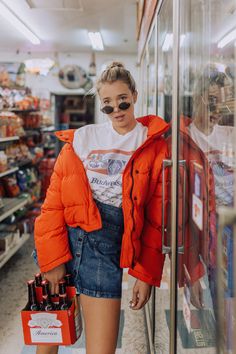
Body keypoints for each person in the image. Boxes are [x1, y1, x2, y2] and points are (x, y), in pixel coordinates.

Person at [34, 61, 170, 354]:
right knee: (48, 340)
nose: (116, 109)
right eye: (107, 103)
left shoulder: (152, 143)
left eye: (122, 100)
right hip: (66, 240)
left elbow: (155, 218)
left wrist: (145, 275)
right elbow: (53, 204)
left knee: (100, 349)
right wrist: (52, 261)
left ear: (134, 95)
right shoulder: (83, 139)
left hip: (105, 249)